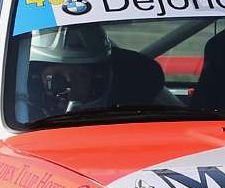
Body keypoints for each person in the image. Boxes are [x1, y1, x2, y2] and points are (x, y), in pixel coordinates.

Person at [21, 24, 176, 121]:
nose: (69, 85)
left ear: (97, 79)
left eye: (79, 75)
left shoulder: (125, 121)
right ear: (36, 78)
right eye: (56, 77)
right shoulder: (15, 118)